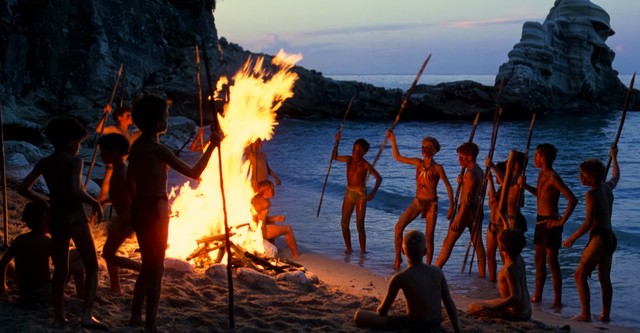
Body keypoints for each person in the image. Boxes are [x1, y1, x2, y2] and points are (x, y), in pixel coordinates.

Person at [126, 93, 221, 332]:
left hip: (140, 207)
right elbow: (195, 173)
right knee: (156, 269)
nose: (168, 118)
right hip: (156, 209)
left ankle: (135, 317)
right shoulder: (159, 150)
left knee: (147, 265)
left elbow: (130, 182)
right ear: (158, 123)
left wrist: (132, 210)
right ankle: (151, 324)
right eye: (166, 115)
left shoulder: (136, 146)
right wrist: (212, 146)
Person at [18, 116, 105, 329]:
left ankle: (59, 317)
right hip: (75, 216)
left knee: (60, 270)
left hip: (56, 216)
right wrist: (95, 202)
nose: (78, 148)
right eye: (78, 143)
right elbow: (76, 191)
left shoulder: (44, 163)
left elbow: (23, 188)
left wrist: (45, 202)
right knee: (92, 266)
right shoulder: (74, 161)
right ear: (69, 141)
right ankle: (87, 314)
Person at [354, 230, 460, 333]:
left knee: (359, 315)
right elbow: (449, 304)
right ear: (425, 252)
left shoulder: (400, 277)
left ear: (403, 251)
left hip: (415, 326)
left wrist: (380, 310)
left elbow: (382, 311)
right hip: (435, 324)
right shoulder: (437, 272)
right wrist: (457, 329)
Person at [562, 147, 619, 322]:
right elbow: (616, 177)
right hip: (610, 238)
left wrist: (572, 237)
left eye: (583, 175)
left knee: (579, 275)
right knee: (604, 278)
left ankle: (585, 314)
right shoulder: (607, 187)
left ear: (591, 179)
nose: (580, 178)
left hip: (599, 239)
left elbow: (588, 222)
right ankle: (605, 315)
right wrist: (614, 158)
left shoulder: (591, 194)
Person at [387, 131, 454, 268]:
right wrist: (393, 140)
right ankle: (398, 258)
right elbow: (397, 157)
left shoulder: (437, 168)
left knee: (429, 237)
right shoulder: (418, 163)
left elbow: (448, 186)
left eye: (427, 147)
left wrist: (451, 206)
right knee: (398, 227)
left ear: (433, 150)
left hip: (431, 204)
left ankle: (428, 266)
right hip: (418, 201)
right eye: (422, 146)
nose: (423, 149)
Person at [522, 143, 577, 307]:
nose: (534, 158)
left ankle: (557, 300)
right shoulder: (541, 174)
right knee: (538, 258)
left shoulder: (553, 176)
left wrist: (560, 221)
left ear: (543, 158)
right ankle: (537, 295)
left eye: (536, 156)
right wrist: (524, 186)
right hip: (540, 221)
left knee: (552, 262)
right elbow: (540, 194)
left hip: (551, 223)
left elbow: (572, 199)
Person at [0, 202, 84, 304]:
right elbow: (60, 267)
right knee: (78, 256)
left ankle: (5, 286)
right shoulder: (48, 242)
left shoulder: (19, 240)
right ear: (44, 221)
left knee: (9, 264)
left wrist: (3, 286)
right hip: (44, 293)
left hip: (25, 292)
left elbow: (3, 264)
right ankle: (79, 294)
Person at [97, 133, 141, 293]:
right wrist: (103, 202)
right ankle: (115, 286)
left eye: (104, 151)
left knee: (108, 254)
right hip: (122, 218)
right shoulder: (117, 170)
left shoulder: (123, 173)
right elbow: (118, 194)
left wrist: (120, 221)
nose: (101, 155)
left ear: (115, 152)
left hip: (126, 219)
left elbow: (132, 201)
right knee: (109, 252)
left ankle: (143, 269)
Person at [435, 142, 486, 278]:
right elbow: (474, 191)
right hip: (476, 210)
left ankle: (435, 270)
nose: (459, 160)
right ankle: (483, 277)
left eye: (461, 157)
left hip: (467, 211)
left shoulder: (470, 174)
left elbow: (467, 200)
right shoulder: (479, 171)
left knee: (448, 242)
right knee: (478, 244)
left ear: (469, 157)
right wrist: (463, 183)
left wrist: (458, 217)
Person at [332, 134, 382, 254]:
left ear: (364, 152)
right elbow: (334, 157)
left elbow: (379, 178)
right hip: (349, 192)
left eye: (359, 151)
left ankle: (363, 252)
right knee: (344, 223)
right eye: (354, 150)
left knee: (360, 225)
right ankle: (349, 248)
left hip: (361, 194)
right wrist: (337, 142)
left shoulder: (365, 164)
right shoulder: (349, 160)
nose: (355, 153)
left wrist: (372, 193)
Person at [468, 228, 532, 321]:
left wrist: (491, 309)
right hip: (527, 310)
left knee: (472, 306)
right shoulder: (519, 259)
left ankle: (497, 311)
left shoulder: (509, 270)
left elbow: (515, 297)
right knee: (492, 301)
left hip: (516, 314)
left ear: (502, 247)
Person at [251, 180, 299, 258]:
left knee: (272, 224)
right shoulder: (266, 203)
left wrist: (275, 218)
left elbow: (259, 218)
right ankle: (295, 255)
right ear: (262, 191)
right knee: (288, 229)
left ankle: (273, 248)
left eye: (270, 189)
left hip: (253, 229)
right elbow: (260, 222)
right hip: (259, 232)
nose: (270, 191)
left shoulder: (255, 199)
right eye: (267, 189)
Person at [486, 151, 528, 233]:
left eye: (509, 162)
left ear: (516, 165)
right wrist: (490, 180)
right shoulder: (510, 179)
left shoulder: (519, 177)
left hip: (513, 219)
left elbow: (506, 185)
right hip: (506, 219)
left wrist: (493, 167)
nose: (506, 164)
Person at [485, 161, 507, 282]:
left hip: (501, 226)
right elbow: (491, 203)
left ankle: (506, 282)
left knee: (504, 257)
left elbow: (495, 199)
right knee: (490, 255)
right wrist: (491, 182)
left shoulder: (506, 188)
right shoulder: (499, 188)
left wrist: (491, 180)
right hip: (492, 224)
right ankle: (492, 281)